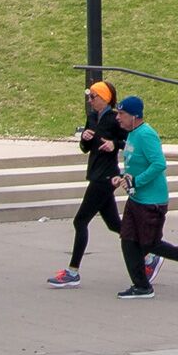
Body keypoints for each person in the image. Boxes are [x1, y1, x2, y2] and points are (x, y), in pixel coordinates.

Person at [112, 95, 178, 297]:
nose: (118, 118)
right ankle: (142, 286)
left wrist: (136, 181)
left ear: (135, 116)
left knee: (150, 243)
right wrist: (122, 177)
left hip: (151, 201)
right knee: (128, 240)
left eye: (122, 114)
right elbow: (135, 163)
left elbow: (159, 164)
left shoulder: (146, 134)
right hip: (136, 199)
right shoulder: (132, 134)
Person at [50, 78, 125, 286]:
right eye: (89, 96)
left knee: (80, 221)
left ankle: (73, 271)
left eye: (93, 97)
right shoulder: (92, 116)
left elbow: (128, 140)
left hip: (106, 177)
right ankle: (149, 252)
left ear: (104, 99)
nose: (90, 101)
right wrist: (85, 137)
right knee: (114, 224)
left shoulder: (115, 118)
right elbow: (85, 147)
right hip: (95, 173)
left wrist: (114, 144)